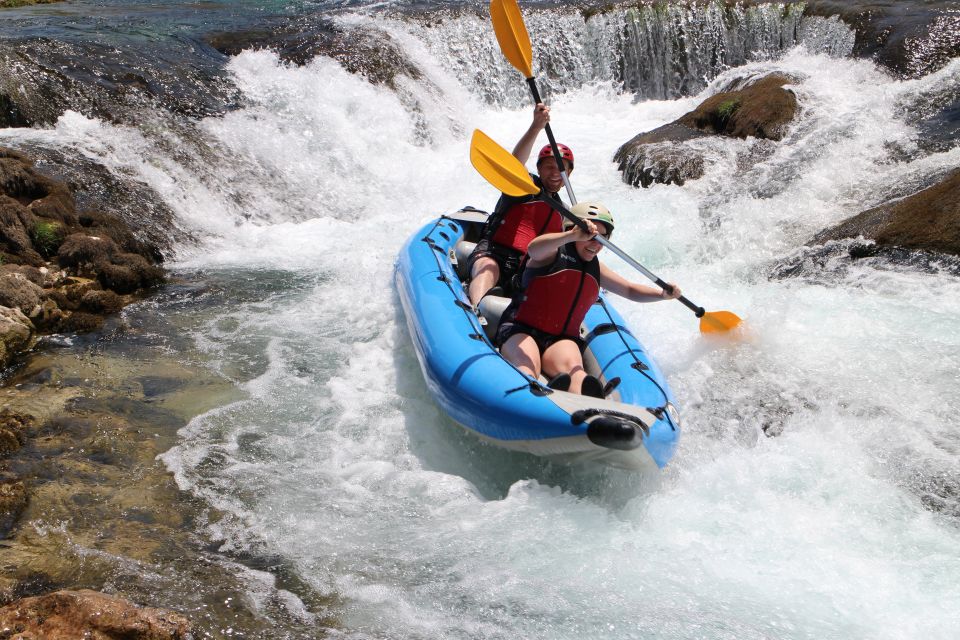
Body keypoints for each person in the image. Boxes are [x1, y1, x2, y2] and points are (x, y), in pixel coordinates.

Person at [495, 202, 682, 397]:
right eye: (590, 236)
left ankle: (583, 409)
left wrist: (662, 295)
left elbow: (629, 290)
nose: (596, 244)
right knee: (527, 365)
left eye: (602, 239)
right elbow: (533, 248)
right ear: (571, 229)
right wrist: (572, 236)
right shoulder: (551, 254)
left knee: (576, 373)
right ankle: (530, 393)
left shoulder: (596, 269)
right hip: (521, 330)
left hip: (560, 339)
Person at [467, 103, 573, 306]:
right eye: (549, 167)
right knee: (488, 268)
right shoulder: (521, 185)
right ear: (539, 169)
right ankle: (477, 309)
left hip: (527, 268)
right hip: (493, 251)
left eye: (561, 170)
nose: (554, 174)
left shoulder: (565, 213)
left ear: (569, 174)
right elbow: (515, 162)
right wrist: (536, 126)